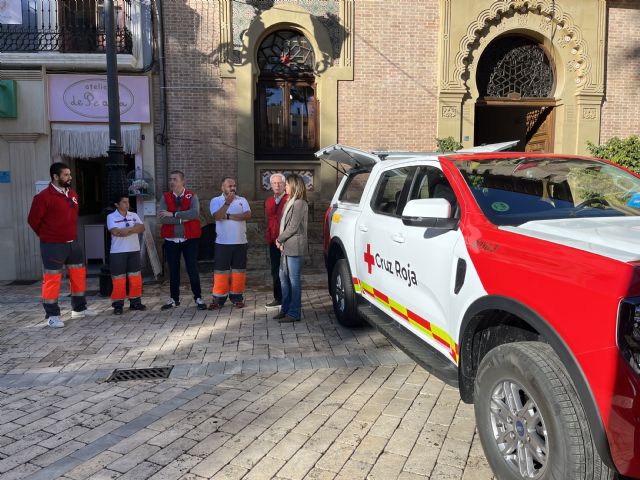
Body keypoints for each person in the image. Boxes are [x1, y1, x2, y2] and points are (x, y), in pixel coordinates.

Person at [27, 162, 97, 328]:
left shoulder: (72, 194)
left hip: (73, 243)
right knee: (52, 280)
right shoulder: (43, 197)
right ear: (55, 177)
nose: (69, 177)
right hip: (52, 245)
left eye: (69, 174)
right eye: (65, 175)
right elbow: (33, 220)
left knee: (78, 275)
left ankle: (79, 309)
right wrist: (47, 235)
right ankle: (52, 315)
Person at [158, 170, 207, 311]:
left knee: (192, 269)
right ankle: (174, 299)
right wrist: (183, 219)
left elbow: (195, 213)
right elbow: (163, 217)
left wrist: (174, 214)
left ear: (182, 181)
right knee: (173, 270)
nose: (172, 182)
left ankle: (198, 298)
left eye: (175, 179)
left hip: (189, 239)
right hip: (171, 239)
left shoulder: (192, 196)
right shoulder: (165, 197)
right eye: (170, 179)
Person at [209, 177, 252, 309]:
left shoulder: (242, 200)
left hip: (240, 242)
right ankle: (218, 299)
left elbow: (247, 215)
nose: (232, 188)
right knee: (221, 272)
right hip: (222, 243)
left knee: (239, 271)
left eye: (234, 185)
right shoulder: (216, 201)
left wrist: (228, 216)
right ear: (222, 187)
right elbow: (217, 216)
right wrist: (227, 203)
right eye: (229, 186)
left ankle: (237, 297)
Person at [274, 173, 308, 323]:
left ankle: (294, 313)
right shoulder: (289, 201)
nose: (284, 186)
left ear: (293, 185)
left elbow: (293, 227)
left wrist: (279, 238)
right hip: (286, 247)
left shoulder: (300, 203)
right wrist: (281, 241)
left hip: (294, 247)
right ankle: (285, 309)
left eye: (286, 184)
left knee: (294, 281)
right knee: (283, 278)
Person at [107, 194, 146, 315]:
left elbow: (142, 228)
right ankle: (118, 305)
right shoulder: (111, 216)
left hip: (134, 250)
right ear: (117, 204)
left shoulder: (133, 215)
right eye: (124, 202)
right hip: (118, 252)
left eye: (128, 202)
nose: (127, 204)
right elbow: (115, 232)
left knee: (135, 277)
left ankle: (135, 302)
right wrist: (133, 229)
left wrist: (127, 230)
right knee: (119, 279)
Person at [264, 173, 288, 308]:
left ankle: (289, 298)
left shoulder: (289, 199)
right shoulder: (268, 201)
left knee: (287, 271)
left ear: (284, 185)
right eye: (274, 183)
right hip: (273, 241)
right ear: (271, 185)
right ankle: (278, 297)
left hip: (285, 241)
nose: (277, 185)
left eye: (280, 183)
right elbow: (268, 221)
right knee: (275, 270)